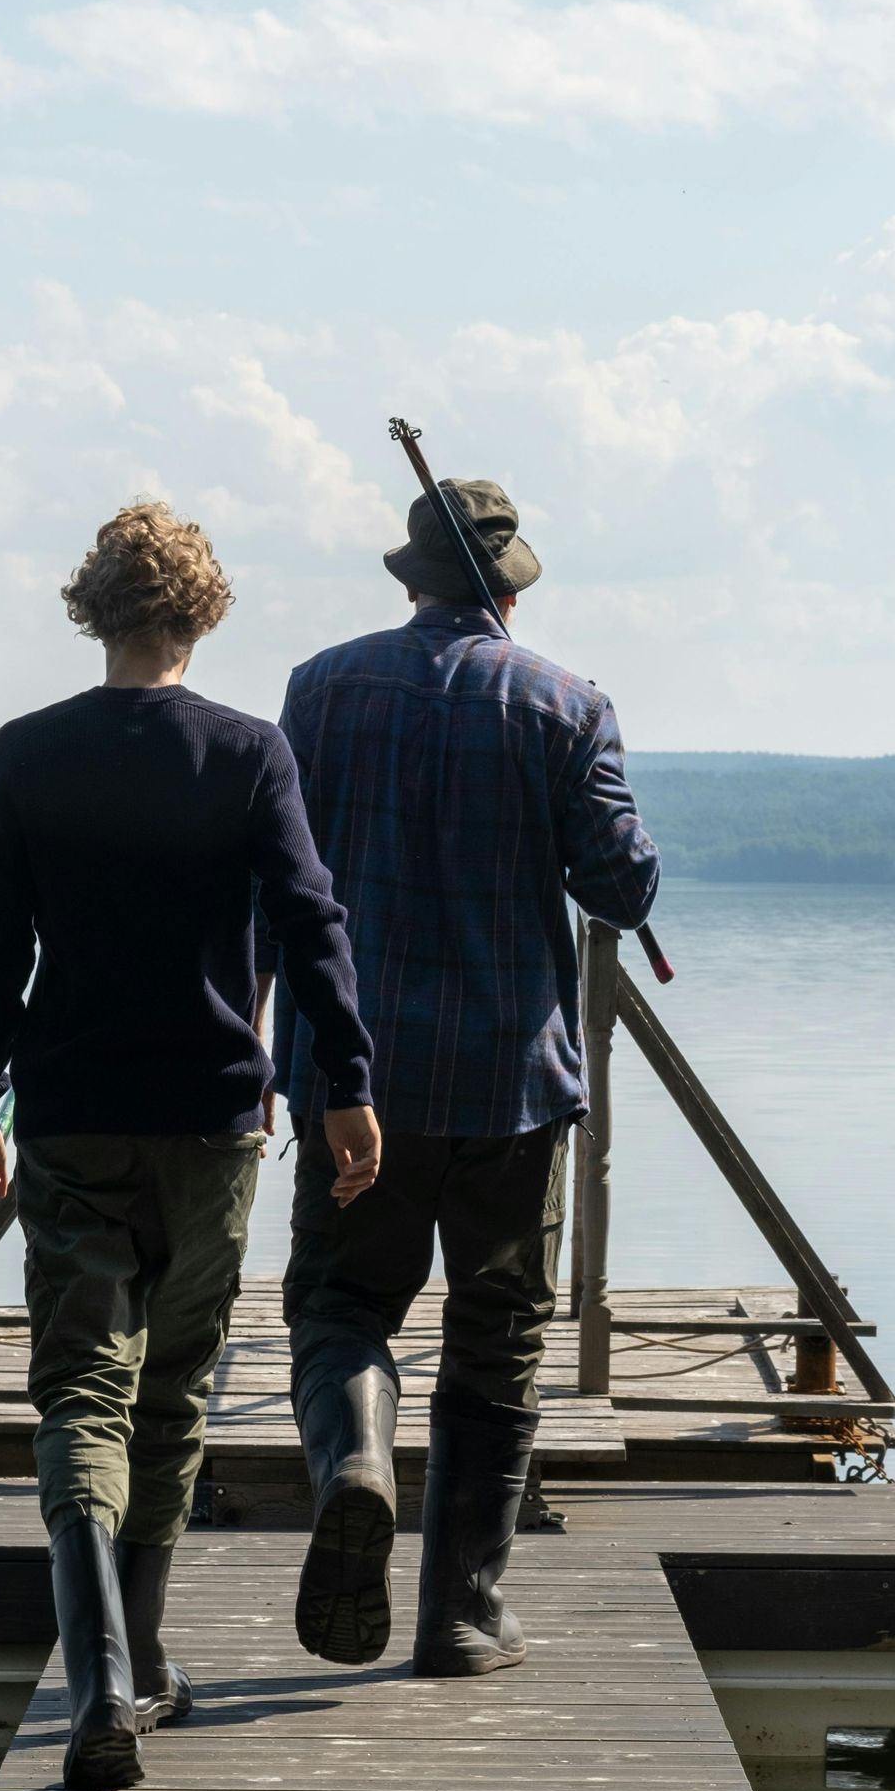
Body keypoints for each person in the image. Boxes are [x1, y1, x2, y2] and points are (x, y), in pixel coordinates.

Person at [0, 501, 381, 1791]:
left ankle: (99, 1693)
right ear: (202, 612)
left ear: (95, 611)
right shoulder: (250, 755)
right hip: (212, 1120)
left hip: (72, 1115)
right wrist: (347, 1085)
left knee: (82, 1391)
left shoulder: (27, 754)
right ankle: (140, 1663)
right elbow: (312, 927)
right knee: (174, 1396)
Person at [261, 476, 659, 1679]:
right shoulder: (565, 705)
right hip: (510, 1084)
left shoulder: (319, 689)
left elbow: (280, 868)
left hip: (353, 1081)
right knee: (499, 1337)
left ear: (410, 577)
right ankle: (462, 1615)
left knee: (339, 1311)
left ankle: (359, 1465)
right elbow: (621, 886)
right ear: (511, 588)